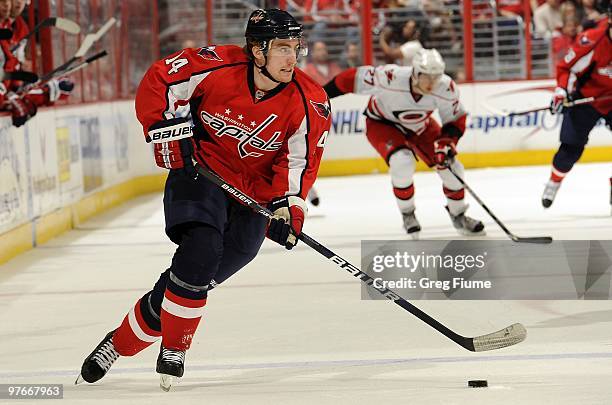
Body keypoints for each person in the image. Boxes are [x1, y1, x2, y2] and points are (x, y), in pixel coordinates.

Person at [76, 8, 331, 390]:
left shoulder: (310, 101)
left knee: (188, 281)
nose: (292, 57)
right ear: (257, 50)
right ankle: (174, 348)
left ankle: (118, 343)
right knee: (201, 251)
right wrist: (168, 131)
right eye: (282, 48)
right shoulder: (217, 65)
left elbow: (298, 164)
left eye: (297, 47)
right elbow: (161, 79)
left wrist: (288, 209)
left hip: (253, 199)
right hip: (201, 173)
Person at [323, 48, 484, 238]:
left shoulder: (446, 87)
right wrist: (320, 95)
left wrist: (446, 142)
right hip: (382, 123)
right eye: (426, 76)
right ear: (415, 72)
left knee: (453, 167)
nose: (432, 82)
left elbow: (455, 119)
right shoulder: (390, 77)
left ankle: (459, 215)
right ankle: (408, 213)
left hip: (420, 125)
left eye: (436, 76)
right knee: (402, 162)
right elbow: (350, 79)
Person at [542, 7, 611, 208]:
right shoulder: (592, 40)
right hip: (587, 98)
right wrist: (561, 90)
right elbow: (565, 67)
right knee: (569, 150)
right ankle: (554, 182)